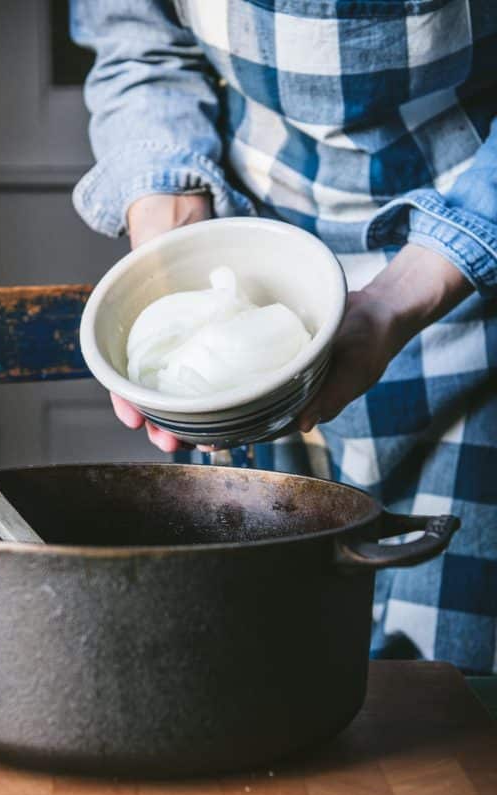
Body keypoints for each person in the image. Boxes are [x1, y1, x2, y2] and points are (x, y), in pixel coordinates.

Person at [70, 1, 497, 673]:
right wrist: (172, 240)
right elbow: (137, 42)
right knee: (255, 665)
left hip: (474, 297)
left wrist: (398, 296)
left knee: (449, 703)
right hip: (252, 254)